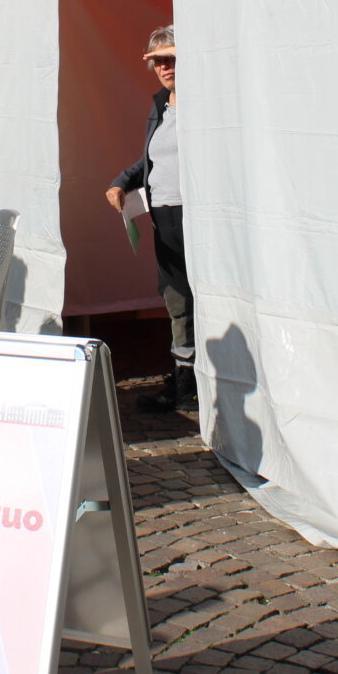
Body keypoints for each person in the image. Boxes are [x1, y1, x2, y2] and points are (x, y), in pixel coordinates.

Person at [105, 25, 194, 413]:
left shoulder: (202, 104)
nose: (164, 66)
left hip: (196, 214)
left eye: (171, 58)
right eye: (157, 60)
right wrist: (122, 182)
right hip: (163, 214)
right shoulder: (160, 104)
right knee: (176, 298)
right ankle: (185, 378)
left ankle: (209, 377)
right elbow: (151, 161)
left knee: (201, 295)